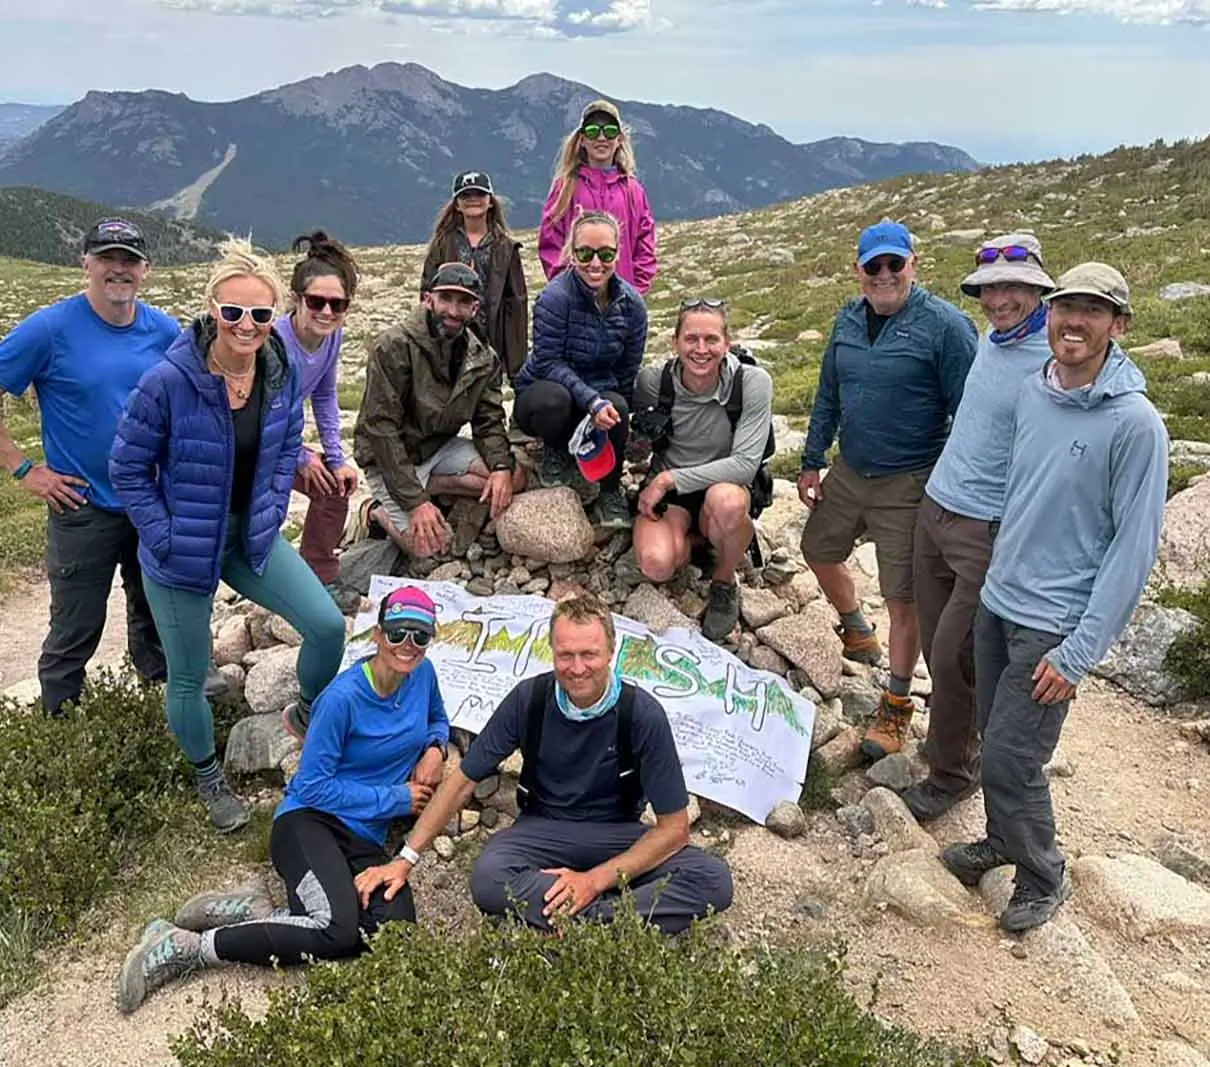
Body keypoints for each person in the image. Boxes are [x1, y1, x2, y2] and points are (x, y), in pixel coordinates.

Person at [941, 263, 1168, 933]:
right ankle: (1000, 838)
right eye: (1068, 306)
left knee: (1015, 756)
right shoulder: (1036, 391)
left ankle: (1043, 873)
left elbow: (1133, 549)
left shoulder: (1135, 424)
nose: (1075, 321)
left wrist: (1078, 652)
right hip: (1000, 598)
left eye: (1093, 311)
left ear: (1118, 325)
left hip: (1054, 624)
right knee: (994, 735)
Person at [113, 586, 449, 1015]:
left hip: (364, 837)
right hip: (309, 822)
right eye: (398, 633)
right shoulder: (342, 699)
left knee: (393, 936)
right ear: (379, 634)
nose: (408, 645)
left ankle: (257, 912)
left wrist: (435, 747)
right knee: (335, 929)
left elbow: (437, 717)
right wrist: (395, 798)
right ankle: (187, 946)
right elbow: (311, 786)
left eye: (420, 635)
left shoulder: (423, 675)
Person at [110, 238, 347, 833]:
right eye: (234, 311)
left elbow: (287, 446)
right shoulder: (169, 380)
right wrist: (162, 534)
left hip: (249, 537)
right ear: (212, 309)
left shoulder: (279, 374)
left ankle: (306, 712)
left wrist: (271, 506)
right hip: (181, 546)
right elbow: (127, 468)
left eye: (260, 313)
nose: (246, 324)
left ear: (274, 316)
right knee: (189, 674)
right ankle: (208, 776)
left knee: (326, 626)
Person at [353, 594, 734, 936]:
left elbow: (674, 829)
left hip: (615, 832)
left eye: (589, 655)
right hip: (542, 831)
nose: (577, 668)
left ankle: (576, 918)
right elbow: (463, 781)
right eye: (566, 655)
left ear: (611, 652)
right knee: (489, 877)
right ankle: (610, 922)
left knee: (712, 879)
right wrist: (405, 859)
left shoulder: (641, 714)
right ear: (551, 651)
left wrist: (593, 881)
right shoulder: (529, 699)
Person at [0, 218, 177, 717]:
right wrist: (24, 469)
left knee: (157, 619)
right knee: (75, 629)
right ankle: (60, 729)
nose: (118, 269)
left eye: (129, 260)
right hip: (84, 507)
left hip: (151, 502)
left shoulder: (164, 330)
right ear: (86, 264)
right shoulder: (50, 329)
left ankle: (161, 719)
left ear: (146, 270)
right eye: (107, 258)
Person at [797, 220, 977, 762]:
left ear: (912, 265)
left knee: (903, 597)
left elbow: (969, 414)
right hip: (851, 469)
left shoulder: (946, 327)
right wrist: (811, 460)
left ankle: (897, 703)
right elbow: (829, 393)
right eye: (873, 266)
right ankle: (856, 628)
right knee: (817, 548)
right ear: (858, 270)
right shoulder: (847, 320)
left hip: (910, 479)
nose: (884, 274)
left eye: (894, 264)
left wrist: (951, 485)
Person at [901, 234, 1056, 823]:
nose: (998, 300)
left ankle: (952, 774)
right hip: (938, 509)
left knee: (955, 654)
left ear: (1039, 289)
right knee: (939, 648)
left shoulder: (1051, 359)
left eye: (1013, 287)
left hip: (985, 528)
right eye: (989, 289)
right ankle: (950, 741)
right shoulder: (992, 339)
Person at [352, 262, 518, 561]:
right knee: (427, 549)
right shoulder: (394, 346)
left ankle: (431, 484)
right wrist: (415, 502)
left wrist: (501, 467)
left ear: (474, 308)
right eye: (446, 299)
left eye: (463, 302)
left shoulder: (482, 357)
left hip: (438, 447)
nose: (453, 311)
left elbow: (488, 419)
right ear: (428, 299)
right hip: (389, 457)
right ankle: (374, 511)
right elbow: (381, 428)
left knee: (509, 482)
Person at [632, 299, 775, 642]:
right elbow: (636, 444)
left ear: (727, 343)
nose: (701, 349)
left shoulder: (751, 382)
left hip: (722, 485)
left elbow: (745, 465)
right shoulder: (653, 381)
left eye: (711, 340)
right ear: (675, 342)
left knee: (727, 503)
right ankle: (701, 540)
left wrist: (668, 479)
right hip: (673, 496)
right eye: (691, 339)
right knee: (657, 564)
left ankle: (724, 580)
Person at [514, 211, 648, 529]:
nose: (595, 263)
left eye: (606, 254)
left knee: (618, 406)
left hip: (597, 395)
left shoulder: (632, 306)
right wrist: (592, 401)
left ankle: (609, 490)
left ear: (618, 253)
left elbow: (628, 369)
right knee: (555, 400)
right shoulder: (554, 298)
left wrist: (621, 423)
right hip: (544, 392)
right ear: (572, 254)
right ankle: (556, 448)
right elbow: (547, 362)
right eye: (585, 253)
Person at [277, 230, 362, 597]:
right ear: (297, 300)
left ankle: (319, 577)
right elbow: (266, 410)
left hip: (282, 442)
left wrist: (336, 459)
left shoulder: (331, 337)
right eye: (316, 301)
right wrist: (300, 457)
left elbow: (325, 396)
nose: (327, 312)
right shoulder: (275, 342)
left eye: (337, 305)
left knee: (333, 487)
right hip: (252, 442)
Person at [536, 98, 657, 295]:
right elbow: (551, 244)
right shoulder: (565, 187)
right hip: (575, 300)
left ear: (619, 139)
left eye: (609, 131)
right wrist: (569, 289)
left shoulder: (633, 190)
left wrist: (634, 292)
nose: (601, 138)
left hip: (622, 299)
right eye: (593, 131)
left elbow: (645, 245)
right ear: (582, 139)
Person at [420, 170, 530, 381]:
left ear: (490, 202)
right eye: (465, 195)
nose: (473, 199)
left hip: (492, 338)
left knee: (487, 391)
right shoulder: (443, 243)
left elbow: (516, 304)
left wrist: (516, 364)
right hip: (449, 331)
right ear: (457, 204)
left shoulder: (507, 248)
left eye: (479, 194)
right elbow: (427, 290)